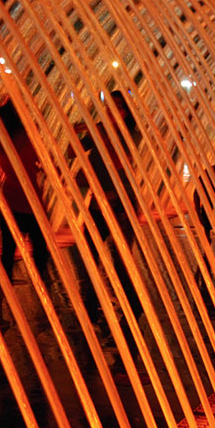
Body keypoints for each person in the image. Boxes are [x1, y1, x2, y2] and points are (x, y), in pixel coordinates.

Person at [73, 90, 144, 329]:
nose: (111, 111)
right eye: (108, 105)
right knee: (88, 255)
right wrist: (77, 133)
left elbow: (116, 161)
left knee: (120, 263)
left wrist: (97, 132)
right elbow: (74, 150)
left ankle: (135, 307)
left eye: (117, 107)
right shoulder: (98, 131)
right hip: (97, 203)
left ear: (125, 112)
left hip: (120, 205)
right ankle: (90, 308)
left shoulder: (128, 135)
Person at [0, 100, 50, 283]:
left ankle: (2, 281)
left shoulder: (1, 138)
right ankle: (41, 278)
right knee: (38, 244)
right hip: (30, 197)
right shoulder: (27, 136)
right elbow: (42, 161)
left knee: (9, 245)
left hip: (12, 197)